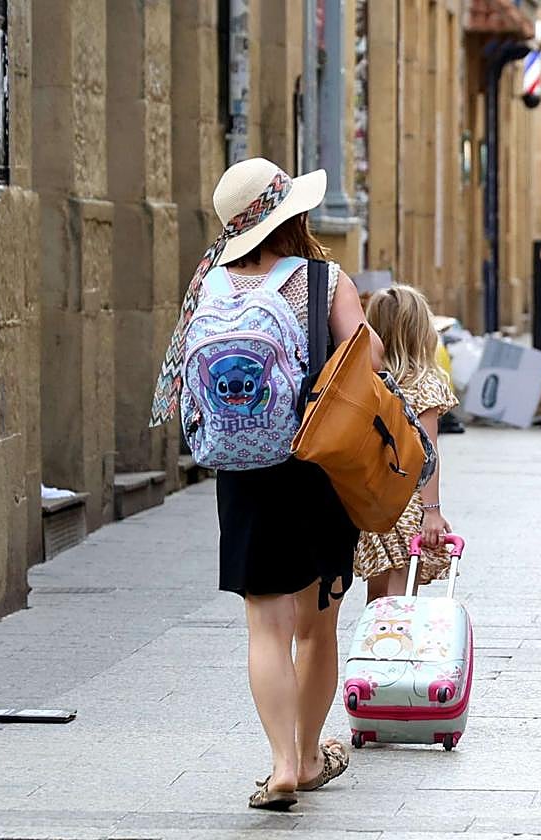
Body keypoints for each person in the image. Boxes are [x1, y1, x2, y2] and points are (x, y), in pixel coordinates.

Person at [149, 158, 385, 809]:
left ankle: (280, 763)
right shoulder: (321, 279)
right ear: (292, 215)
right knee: (316, 628)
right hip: (317, 464)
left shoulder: (211, 285)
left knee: (266, 628)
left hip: (243, 473)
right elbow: (367, 357)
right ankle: (307, 758)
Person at [355, 285, 457, 600]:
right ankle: (396, 634)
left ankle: (376, 632)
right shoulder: (424, 384)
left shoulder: (365, 381)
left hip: (369, 500)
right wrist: (432, 511)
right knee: (402, 594)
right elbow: (427, 455)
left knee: (377, 593)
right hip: (407, 501)